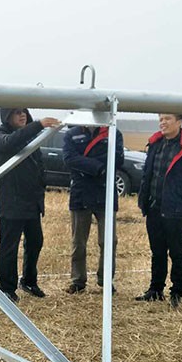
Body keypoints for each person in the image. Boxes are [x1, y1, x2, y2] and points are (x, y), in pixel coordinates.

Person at [136, 114, 182, 308]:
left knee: (176, 251)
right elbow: (147, 175)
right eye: (161, 119)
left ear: (179, 122)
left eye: (167, 118)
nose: (163, 122)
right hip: (154, 207)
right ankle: (155, 290)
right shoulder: (155, 144)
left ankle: (177, 292)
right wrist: (143, 200)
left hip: (176, 207)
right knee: (157, 251)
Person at [0, 107, 60, 303]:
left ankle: (29, 281)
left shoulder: (30, 137)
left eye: (24, 111)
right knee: (9, 247)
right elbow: (9, 143)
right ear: (7, 117)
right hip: (12, 203)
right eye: (16, 112)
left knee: (35, 242)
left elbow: (37, 165)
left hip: (31, 203)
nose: (22, 115)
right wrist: (38, 125)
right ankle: (7, 288)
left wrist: (41, 186)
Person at [62, 124, 124, 295]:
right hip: (80, 193)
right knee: (78, 241)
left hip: (106, 192)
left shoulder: (113, 133)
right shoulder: (71, 134)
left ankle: (106, 280)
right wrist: (98, 167)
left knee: (108, 241)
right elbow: (69, 159)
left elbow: (117, 158)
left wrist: (84, 161)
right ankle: (78, 281)